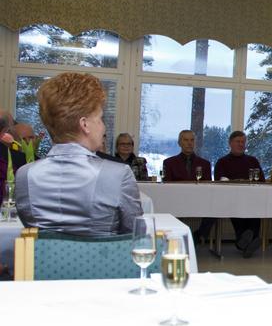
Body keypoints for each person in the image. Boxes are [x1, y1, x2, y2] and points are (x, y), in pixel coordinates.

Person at [15, 73, 143, 235]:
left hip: (40, 253)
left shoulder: (24, 175)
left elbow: (31, 229)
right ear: (85, 124)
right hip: (105, 252)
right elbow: (136, 233)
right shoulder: (119, 174)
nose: (103, 127)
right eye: (100, 119)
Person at [214, 131, 262, 258]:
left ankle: (243, 242)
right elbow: (219, 181)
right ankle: (251, 239)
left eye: (243, 142)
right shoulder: (222, 162)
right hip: (231, 200)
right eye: (238, 142)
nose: (241, 144)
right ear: (230, 143)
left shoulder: (253, 160)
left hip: (252, 199)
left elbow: (261, 180)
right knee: (237, 210)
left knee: (255, 210)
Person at [162, 130, 214, 244]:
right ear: (179, 143)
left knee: (215, 208)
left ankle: (198, 236)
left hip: (199, 200)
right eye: (186, 140)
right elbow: (166, 186)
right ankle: (176, 237)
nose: (189, 143)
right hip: (176, 200)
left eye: (192, 140)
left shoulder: (205, 164)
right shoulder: (169, 163)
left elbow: (208, 186)